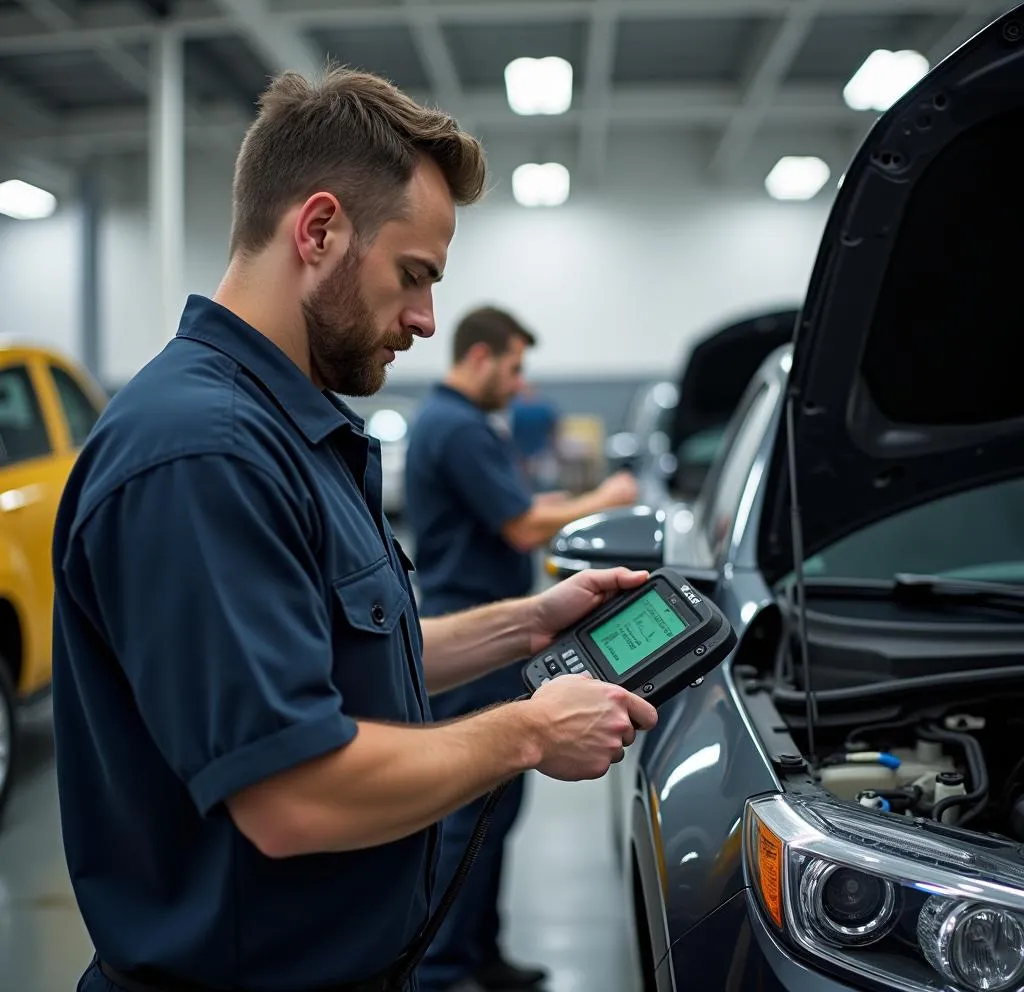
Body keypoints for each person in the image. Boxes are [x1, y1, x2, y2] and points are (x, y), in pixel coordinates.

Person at [49, 68, 658, 992]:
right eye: (413, 276)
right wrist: (528, 732)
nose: (424, 319)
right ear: (320, 230)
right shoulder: (202, 454)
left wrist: (527, 624)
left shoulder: (284, 430)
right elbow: (293, 795)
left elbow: (341, 651)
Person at [403, 307, 639, 992]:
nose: (517, 382)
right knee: (470, 813)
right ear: (479, 357)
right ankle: (445, 965)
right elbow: (522, 524)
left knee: (495, 812)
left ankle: (477, 950)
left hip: (487, 630)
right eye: (512, 367)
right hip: (471, 635)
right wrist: (605, 497)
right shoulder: (457, 426)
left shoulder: (457, 423)